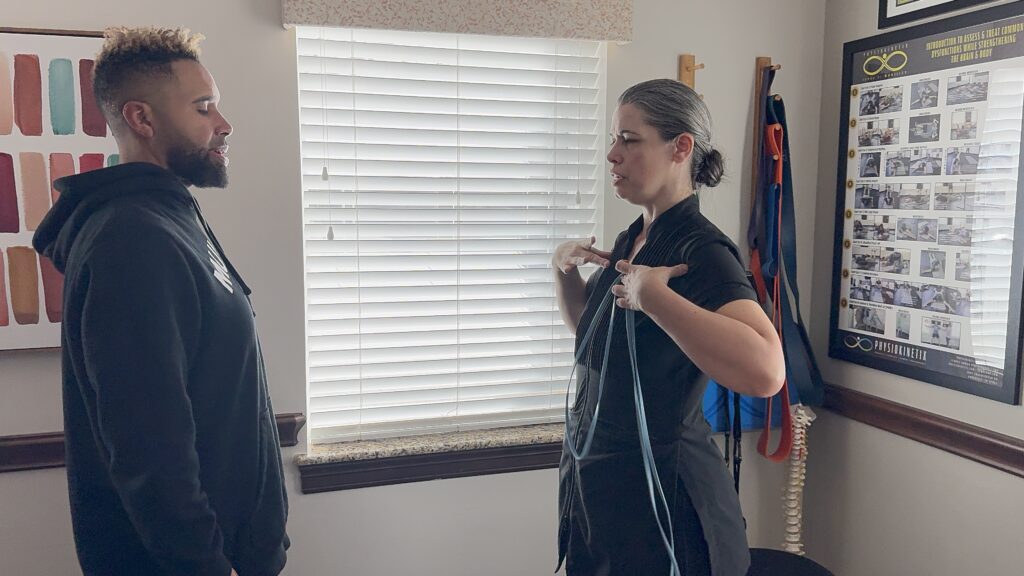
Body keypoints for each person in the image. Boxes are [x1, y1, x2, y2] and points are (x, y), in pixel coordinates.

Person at [32, 27, 288, 576]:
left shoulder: (172, 218)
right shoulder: (130, 240)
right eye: (203, 108)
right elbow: (149, 450)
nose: (224, 125)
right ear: (142, 119)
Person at [551, 79, 785, 576]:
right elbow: (596, 347)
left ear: (681, 147)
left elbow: (767, 371)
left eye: (629, 140)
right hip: (602, 497)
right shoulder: (632, 237)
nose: (612, 155)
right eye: (614, 140)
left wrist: (655, 298)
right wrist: (563, 273)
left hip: (667, 510)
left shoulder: (701, 252)